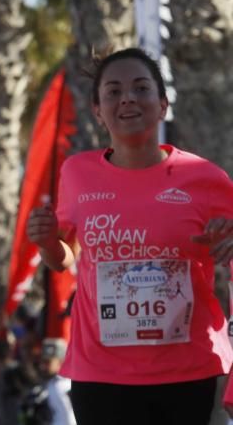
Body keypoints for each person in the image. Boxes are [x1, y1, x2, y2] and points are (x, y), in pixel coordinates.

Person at [26, 47, 233, 425]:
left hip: (191, 371)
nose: (128, 99)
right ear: (97, 110)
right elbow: (65, 259)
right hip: (101, 374)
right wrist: (46, 242)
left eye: (141, 89)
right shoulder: (77, 173)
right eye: (113, 92)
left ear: (163, 104)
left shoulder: (206, 179)